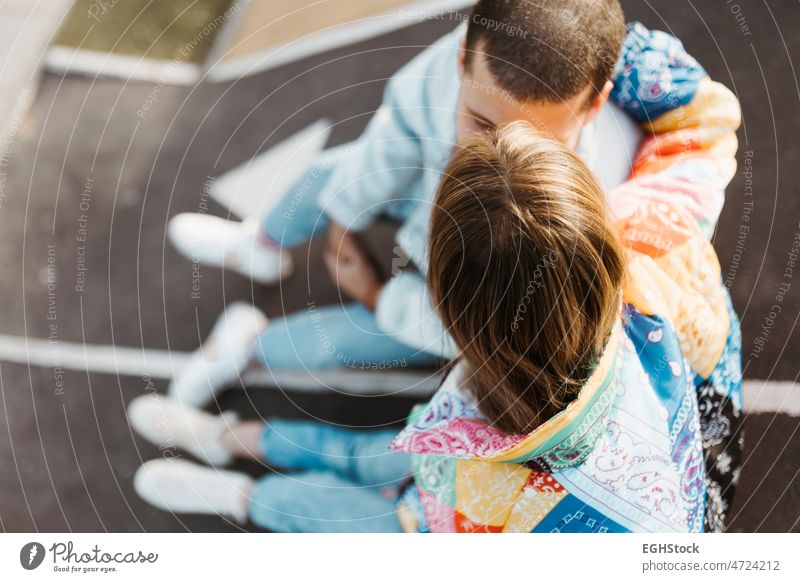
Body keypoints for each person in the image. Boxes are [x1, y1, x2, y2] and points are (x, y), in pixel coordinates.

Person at [129, 91, 741, 530]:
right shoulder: (674, 262)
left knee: (371, 518)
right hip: (529, 470)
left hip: (471, 498)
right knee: (376, 459)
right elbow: (703, 117)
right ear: (602, 233)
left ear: (447, 315)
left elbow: (426, 519)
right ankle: (234, 443)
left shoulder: (483, 499)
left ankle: (242, 488)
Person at [164, 1, 706, 409]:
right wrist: (343, 217)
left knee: (366, 339)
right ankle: (263, 244)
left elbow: (477, 324)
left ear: (595, 104)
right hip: (424, 208)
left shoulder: (591, 209)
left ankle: (250, 346)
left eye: (537, 141)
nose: (495, 158)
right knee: (330, 172)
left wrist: (377, 296)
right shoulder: (468, 57)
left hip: (469, 270)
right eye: (483, 123)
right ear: (463, 58)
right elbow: (395, 132)